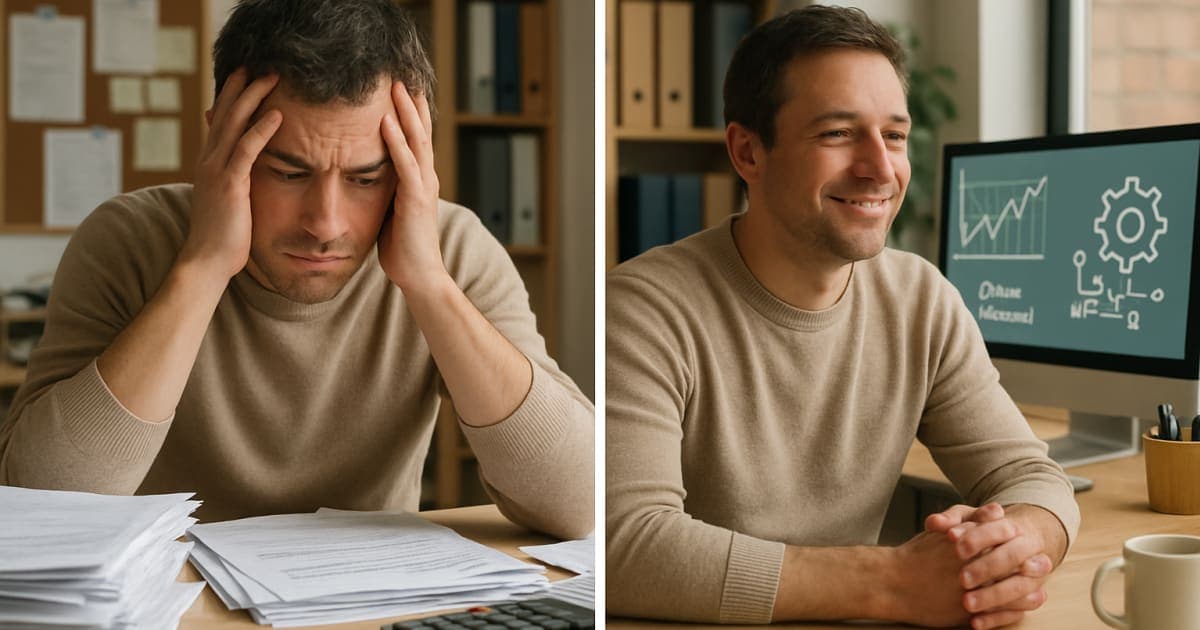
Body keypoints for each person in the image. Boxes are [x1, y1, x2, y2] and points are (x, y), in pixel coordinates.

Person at [0, 0, 592, 539]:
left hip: (362, 609)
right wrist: (203, 267)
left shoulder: (452, 249)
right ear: (223, 143)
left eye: (366, 178)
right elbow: (40, 501)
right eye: (288, 173)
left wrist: (429, 285)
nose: (326, 223)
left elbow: (582, 502)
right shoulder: (127, 240)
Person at [606, 5, 1079, 628]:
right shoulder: (645, 308)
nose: (881, 169)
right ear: (747, 151)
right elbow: (627, 547)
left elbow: (1030, 475)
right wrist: (893, 583)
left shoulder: (921, 300)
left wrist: (1009, 549)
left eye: (896, 135)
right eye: (837, 134)